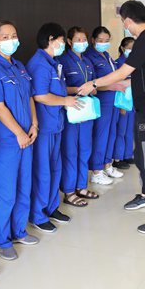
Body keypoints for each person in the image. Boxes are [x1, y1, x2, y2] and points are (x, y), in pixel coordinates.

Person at [78, 0, 145, 235]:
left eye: (124, 22)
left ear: (129, 20)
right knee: (142, 156)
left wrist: (94, 83)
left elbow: (124, 71)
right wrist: (127, 84)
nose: (124, 26)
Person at [0, 20, 40, 261]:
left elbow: (30, 97)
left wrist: (34, 124)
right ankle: (1, 240)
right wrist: (19, 133)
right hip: (6, 141)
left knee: (24, 186)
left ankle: (19, 231)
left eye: (13, 35)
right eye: (5, 37)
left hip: (27, 136)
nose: (11, 40)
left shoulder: (19, 66)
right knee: (6, 192)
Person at [26, 23, 84, 232]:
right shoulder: (39, 64)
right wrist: (65, 101)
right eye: (61, 40)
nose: (63, 44)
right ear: (50, 39)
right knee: (43, 171)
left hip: (56, 124)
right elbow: (40, 96)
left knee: (54, 168)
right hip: (44, 126)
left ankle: (52, 207)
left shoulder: (53, 62)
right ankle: (38, 214)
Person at [58, 26, 100, 207]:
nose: (82, 43)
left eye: (84, 39)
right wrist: (78, 89)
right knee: (70, 151)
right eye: (78, 40)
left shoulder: (87, 61)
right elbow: (59, 88)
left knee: (85, 150)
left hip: (87, 112)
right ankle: (69, 191)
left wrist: (93, 88)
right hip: (72, 112)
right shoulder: (62, 61)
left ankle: (81, 186)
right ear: (69, 42)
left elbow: (95, 84)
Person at [83, 27, 126, 185]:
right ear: (93, 40)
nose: (104, 43)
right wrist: (112, 86)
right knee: (100, 136)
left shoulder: (107, 55)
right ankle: (97, 170)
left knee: (111, 133)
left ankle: (107, 164)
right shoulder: (89, 57)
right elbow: (92, 84)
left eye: (107, 40)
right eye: (100, 40)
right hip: (102, 101)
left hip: (113, 100)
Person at [112, 37, 136, 170]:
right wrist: (121, 105)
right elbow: (117, 84)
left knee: (129, 130)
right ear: (122, 48)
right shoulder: (118, 64)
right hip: (123, 102)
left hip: (132, 102)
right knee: (121, 130)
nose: (132, 51)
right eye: (129, 48)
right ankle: (118, 157)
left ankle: (127, 155)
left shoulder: (134, 64)